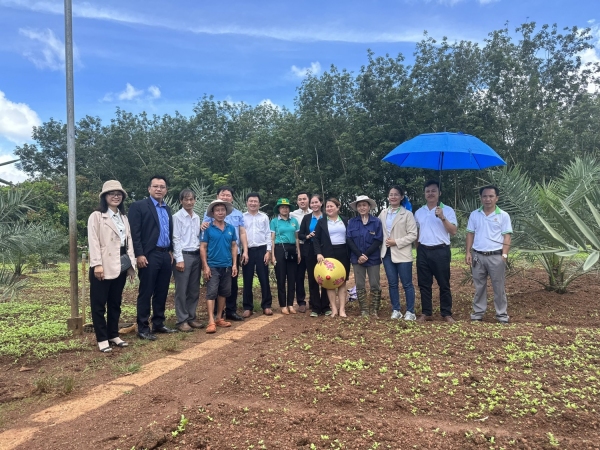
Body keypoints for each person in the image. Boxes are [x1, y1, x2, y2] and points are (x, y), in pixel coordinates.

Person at [87, 180, 136, 352]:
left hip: (120, 264)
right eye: (111, 193)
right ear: (104, 196)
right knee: (99, 303)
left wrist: (131, 266)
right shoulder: (97, 216)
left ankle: (113, 334)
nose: (115, 196)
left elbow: (128, 243)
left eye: (118, 193)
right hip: (103, 264)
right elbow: (93, 242)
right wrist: (97, 265)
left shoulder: (124, 217)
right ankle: (102, 338)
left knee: (115, 302)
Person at [129, 175, 176, 340]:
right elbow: (135, 233)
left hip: (165, 255)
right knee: (146, 291)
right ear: (149, 189)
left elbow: (168, 232)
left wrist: (170, 250)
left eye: (162, 187)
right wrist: (139, 254)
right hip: (149, 255)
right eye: (155, 186)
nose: (159, 189)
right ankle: (143, 327)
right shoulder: (139, 206)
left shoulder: (167, 209)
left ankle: (158, 323)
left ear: (166, 190)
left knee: (162, 290)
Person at [465, 185, 512, 324]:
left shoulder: (503, 215)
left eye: (491, 196)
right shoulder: (475, 214)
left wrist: (504, 255)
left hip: (496, 256)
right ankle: (478, 313)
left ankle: (501, 315)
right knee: (479, 286)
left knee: (499, 287)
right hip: (478, 255)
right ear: (481, 198)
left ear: (497, 198)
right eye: (484, 196)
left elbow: (507, 236)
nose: (487, 199)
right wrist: (468, 252)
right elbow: (470, 234)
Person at [413, 180, 458, 323]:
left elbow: (453, 231)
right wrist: (418, 248)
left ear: (440, 193)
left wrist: (443, 217)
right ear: (424, 194)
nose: (430, 193)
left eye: (433, 191)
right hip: (423, 251)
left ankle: (446, 313)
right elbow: (417, 232)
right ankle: (427, 312)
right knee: (424, 284)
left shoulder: (448, 210)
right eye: (428, 191)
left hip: (441, 251)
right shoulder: (419, 212)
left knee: (444, 283)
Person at [201, 186, 248, 321]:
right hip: (215, 254)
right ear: (217, 196)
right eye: (223, 194)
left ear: (232, 198)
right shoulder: (210, 213)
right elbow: (204, 227)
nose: (225, 197)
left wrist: (245, 250)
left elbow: (242, 232)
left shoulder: (238, 214)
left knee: (231, 284)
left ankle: (230, 311)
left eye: (228, 195)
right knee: (214, 286)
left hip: (232, 254)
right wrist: (202, 225)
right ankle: (216, 313)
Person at [378, 186, 418, 320]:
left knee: (407, 283)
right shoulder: (383, 213)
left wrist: (397, 242)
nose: (393, 197)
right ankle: (396, 309)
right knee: (392, 283)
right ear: (388, 197)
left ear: (401, 197)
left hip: (402, 253)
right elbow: (376, 229)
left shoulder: (407, 214)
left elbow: (413, 235)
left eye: (396, 194)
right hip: (387, 253)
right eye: (391, 194)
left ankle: (410, 311)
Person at [200, 199, 238, 334]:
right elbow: (203, 247)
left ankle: (219, 318)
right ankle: (210, 321)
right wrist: (205, 266)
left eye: (222, 210)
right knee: (211, 293)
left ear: (226, 212)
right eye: (217, 210)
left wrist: (234, 264)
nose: (220, 213)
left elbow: (234, 246)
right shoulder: (207, 228)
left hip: (227, 266)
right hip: (213, 266)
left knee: (224, 293)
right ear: (213, 213)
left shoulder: (231, 228)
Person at [172, 189, 203, 332]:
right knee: (182, 289)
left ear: (195, 200)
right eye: (186, 199)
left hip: (196, 255)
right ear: (181, 201)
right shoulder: (177, 217)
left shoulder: (196, 217)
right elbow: (176, 238)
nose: (189, 202)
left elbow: (197, 236)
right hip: (183, 256)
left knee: (194, 289)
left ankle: (191, 317)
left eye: (191, 199)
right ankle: (181, 320)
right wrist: (179, 259)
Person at [313, 198, 351, 318]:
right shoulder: (322, 222)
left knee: (341, 281)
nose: (329, 208)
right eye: (327, 207)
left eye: (331, 206)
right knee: (329, 282)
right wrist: (319, 253)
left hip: (343, 253)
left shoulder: (345, 220)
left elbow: (350, 237)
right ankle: (334, 309)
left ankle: (342, 309)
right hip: (327, 254)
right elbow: (316, 239)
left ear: (338, 207)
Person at [347, 195, 384, 317]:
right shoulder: (352, 222)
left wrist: (366, 255)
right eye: (359, 205)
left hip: (372, 258)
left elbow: (378, 240)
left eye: (364, 205)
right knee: (360, 284)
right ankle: (364, 310)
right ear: (356, 208)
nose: (362, 207)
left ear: (369, 207)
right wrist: (359, 255)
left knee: (375, 284)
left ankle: (373, 310)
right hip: (357, 259)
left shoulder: (376, 222)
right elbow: (349, 240)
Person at [242, 192, 273, 316]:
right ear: (247, 203)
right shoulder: (242, 217)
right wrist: (243, 252)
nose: (253, 203)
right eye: (251, 201)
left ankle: (266, 305)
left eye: (255, 201)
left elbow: (267, 234)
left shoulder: (264, 217)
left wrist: (268, 251)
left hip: (262, 250)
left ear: (259, 203)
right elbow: (240, 234)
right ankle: (247, 307)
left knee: (264, 278)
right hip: (247, 250)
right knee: (247, 279)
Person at [298, 194, 330, 317]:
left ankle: (326, 306)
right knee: (313, 278)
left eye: (316, 202)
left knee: (326, 277)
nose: (314, 205)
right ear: (310, 205)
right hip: (309, 251)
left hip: (325, 250)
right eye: (312, 203)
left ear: (321, 203)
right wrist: (307, 236)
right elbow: (300, 235)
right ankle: (316, 307)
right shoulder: (306, 218)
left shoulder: (326, 217)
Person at [270, 198, 301, 314]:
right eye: (282, 207)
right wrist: (272, 255)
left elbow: (297, 237)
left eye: (286, 207)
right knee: (281, 278)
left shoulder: (294, 221)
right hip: (279, 249)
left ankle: (290, 304)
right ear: (278, 209)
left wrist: (299, 252)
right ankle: (283, 305)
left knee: (292, 278)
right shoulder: (274, 222)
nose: (284, 209)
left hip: (292, 249)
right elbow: (272, 239)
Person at [290, 192, 311, 312]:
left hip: (312, 247)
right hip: (298, 247)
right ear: (297, 202)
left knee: (314, 274)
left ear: (308, 200)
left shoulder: (314, 213)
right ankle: (301, 301)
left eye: (304, 199)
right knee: (299, 275)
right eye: (300, 199)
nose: (302, 201)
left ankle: (314, 300)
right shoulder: (293, 214)